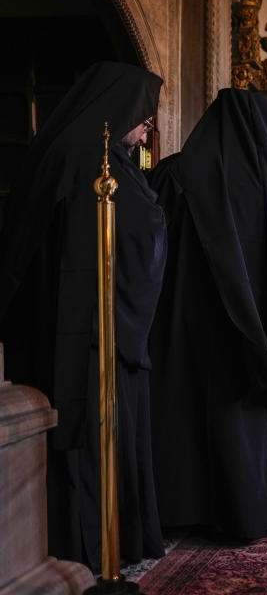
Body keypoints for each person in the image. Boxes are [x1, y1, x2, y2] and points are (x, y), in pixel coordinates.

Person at [148, 88, 267, 539]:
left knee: (192, 415)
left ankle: (190, 508)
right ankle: (251, 510)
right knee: (246, 420)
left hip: (190, 321)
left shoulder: (178, 174)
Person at [0, 61, 166, 567]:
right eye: (145, 115)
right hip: (94, 333)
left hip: (101, 327)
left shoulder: (89, 154)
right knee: (95, 439)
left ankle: (113, 542)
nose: (148, 128)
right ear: (120, 110)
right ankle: (97, 549)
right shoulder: (93, 162)